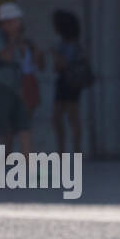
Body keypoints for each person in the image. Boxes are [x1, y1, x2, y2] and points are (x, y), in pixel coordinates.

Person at [0, 2, 32, 159]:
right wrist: (12, 39)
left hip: (14, 85)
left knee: (24, 125)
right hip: (0, 84)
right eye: (16, 20)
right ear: (7, 22)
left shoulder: (18, 38)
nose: (19, 24)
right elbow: (5, 56)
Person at [50, 10, 89, 153]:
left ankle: (66, 150)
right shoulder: (71, 44)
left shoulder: (68, 45)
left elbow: (62, 65)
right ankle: (70, 149)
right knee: (66, 117)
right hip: (68, 82)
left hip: (68, 82)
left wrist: (55, 55)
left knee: (65, 117)